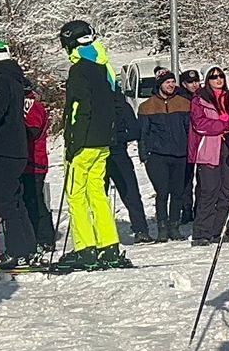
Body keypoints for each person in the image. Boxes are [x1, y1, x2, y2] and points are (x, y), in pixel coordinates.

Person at [58, 20, 126, 270]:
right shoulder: (104, 65)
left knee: (76, 195)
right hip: (103, 142)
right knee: (97, 193)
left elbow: (79, 108)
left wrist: (73, 141)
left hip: (84, 142)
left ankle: (85, 247)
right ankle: (109, 245)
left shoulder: (79, 70)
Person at [0, 40, 39, 267]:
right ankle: (27, 247)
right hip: (15, 149)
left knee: (5, 203)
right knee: (15, 200)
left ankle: (17, 250)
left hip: (4, 150)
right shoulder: (13, 79)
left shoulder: (1, 81)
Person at [188, 67, 229, 245]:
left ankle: (220, 230)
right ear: (207, 80)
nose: (218, 79)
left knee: (227, 190)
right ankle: (201, 233)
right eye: (214, 77)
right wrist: (224, 125)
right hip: (209, 148)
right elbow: (199, 123)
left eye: (221, 76)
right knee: (209, 190)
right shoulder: (199, 100)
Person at [137, 71, 192, 242]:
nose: (170, 85)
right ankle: (162, 226)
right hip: (157, 156)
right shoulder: (147, 106)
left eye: (172, 81)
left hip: (180, 154)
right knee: (162, 192)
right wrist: (144, 155)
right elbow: (143, 134)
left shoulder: (184, 104)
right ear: (159, 84)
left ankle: (174, 226)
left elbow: (189, 130)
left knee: (177, 192)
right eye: (167, 82)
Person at [107, 84, 152, 245]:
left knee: (131, 193)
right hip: (99, 154)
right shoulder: (95, 106)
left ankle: (141, 229)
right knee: (99, 196)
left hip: (119, 154)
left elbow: (135, 130)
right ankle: (101, 232)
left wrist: (117, 138)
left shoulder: (123, 106)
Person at [22, 92, 56, 254]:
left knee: (36, 201)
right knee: (29, 201)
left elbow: (33, 130)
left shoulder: (31, 106)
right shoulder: (25, 105)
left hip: (34, 161)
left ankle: (45, 238)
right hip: (27, 162)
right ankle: (36, 236)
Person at [176, 69, 201, 225]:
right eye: (190, 82)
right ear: (184, 84)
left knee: (203, 180)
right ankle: (186, 210)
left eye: (196, 81)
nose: (194, 85)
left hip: (202, 143)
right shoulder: (180, 100)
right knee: (186, 180)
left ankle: (199, 209)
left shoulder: (203, 97)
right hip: (185, 145)